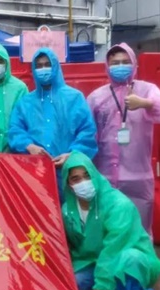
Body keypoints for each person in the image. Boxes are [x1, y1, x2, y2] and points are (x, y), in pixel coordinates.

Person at [61, 151, 160, 290]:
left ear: (95, 174)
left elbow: (113, 251)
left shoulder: (118, 205)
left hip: (125, 259)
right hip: (92, 261)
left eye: (87, 176)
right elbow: (73, 249)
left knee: (130, 261)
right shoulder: (68, 210)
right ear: (68, 184)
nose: (83, 183)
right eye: (75, 179)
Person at [86, 43, 160, 234]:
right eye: (115, 63)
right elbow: (87, 133)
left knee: (140, 230)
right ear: (107, 66)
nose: (120, 66)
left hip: (138, 177)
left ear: (134, 64)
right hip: (105, 177)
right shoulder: (97, 97)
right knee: (109, 229)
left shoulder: (146, 90)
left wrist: (146, 103)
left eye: (125, 62)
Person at [8, 47, 98, 191]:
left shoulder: (74, 98)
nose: (43, 69)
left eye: (47, 64)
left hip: (70, 172)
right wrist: (28, 146)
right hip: (36, 174)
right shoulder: (25, 102)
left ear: (55, 66)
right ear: (33, 70)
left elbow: (87, 131)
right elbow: (15, 130)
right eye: (38, 66)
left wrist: (72, 154)